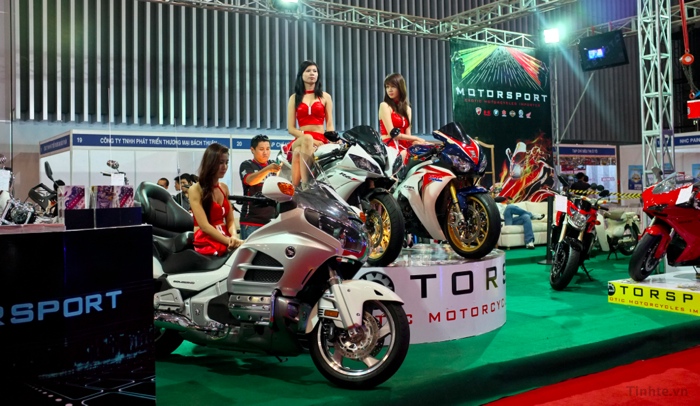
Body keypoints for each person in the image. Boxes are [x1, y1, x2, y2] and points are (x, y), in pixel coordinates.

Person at [283, 60, 335, 187]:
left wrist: (332, 139)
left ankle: (295, 189)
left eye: (315, 71)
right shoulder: (294, 98)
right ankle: (306, 185)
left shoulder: (325, 97)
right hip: (301, 138)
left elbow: (329, 124)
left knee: (297, 153)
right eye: (308, 71)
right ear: (301, 75)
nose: (312, 73)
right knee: (306, 139)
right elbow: (291, 128)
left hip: (320, 139)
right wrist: (310, 139)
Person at [189, 143, 243, 256]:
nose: (224, 167)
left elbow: (230, 220)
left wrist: (234, 236)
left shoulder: (224, 188)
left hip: (225, 237)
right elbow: (204, 227)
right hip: (206, 240)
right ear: (210, 163)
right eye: (220, 162)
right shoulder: (195, 189)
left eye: (226, 162)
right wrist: (229, 241)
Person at [239, 135, 281, 239]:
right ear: (252, 150)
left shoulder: (274, 165)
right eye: (261, 149)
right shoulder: (247, 165)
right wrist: (268, 169)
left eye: (268, 149)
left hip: (272, 221)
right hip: (252, 222)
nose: (265, 152)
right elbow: (250, 181)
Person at [378, 73, 427, 154]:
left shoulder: (408, 109)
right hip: (390, 144)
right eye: (387, 87)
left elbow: (408, 135)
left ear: (400, 88)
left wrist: (417, 142)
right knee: (408, 153)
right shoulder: (384, 106)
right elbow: (392, 134)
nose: (390, 90)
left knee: (426, 149)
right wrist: (416, 138)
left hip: (404, 144)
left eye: (393, 86)